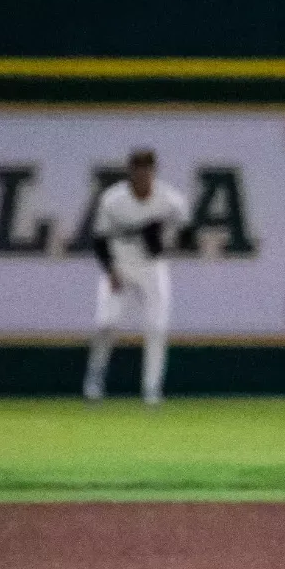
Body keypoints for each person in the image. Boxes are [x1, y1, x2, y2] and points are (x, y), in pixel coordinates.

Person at [82, 148, 188, 406]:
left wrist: (164, 241)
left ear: (153, 172)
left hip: (152, 267)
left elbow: (185, 234)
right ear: (130, 172)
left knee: (156, 327)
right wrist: (110, 271)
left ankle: (151, 389)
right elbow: (98, 239)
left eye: (146, 170)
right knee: (106, 323)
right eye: (137, 170)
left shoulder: (171, 200)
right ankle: (94, 381)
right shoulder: (113, 199)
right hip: (120, 263)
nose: (141, 176)